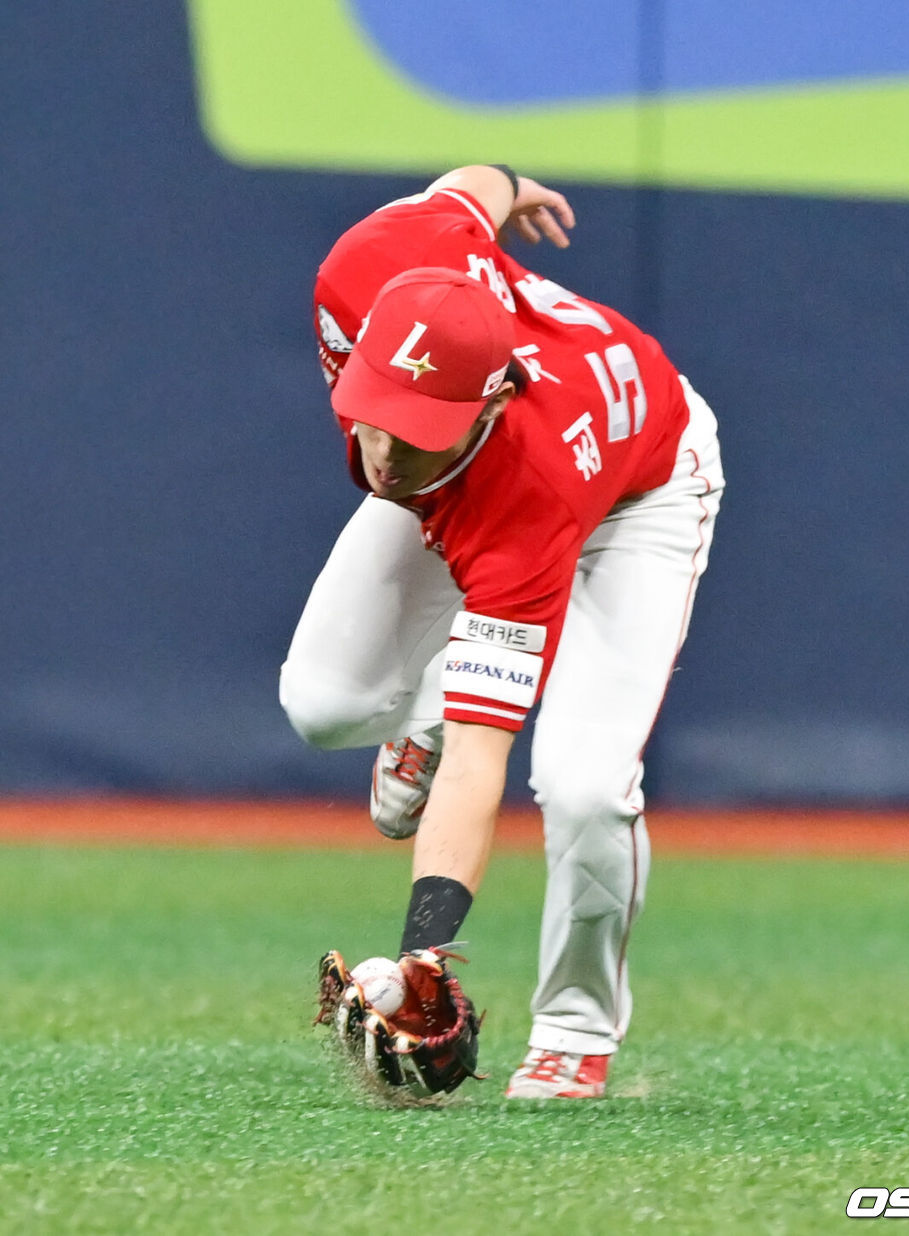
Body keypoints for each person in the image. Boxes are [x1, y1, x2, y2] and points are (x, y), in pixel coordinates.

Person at [280, 164, 724, 1099]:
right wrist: (513, 184)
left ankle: (574, 1029)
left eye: (421, 427)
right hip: (487, 488)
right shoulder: (363, 270)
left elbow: (488, 759)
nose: (388, 453)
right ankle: (423, 712)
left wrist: (421, 958)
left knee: (586, 785)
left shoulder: (529, 477)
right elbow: (469, 189)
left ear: (486, 401)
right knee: (324, 703)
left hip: (636, 494)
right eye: (379, 415)